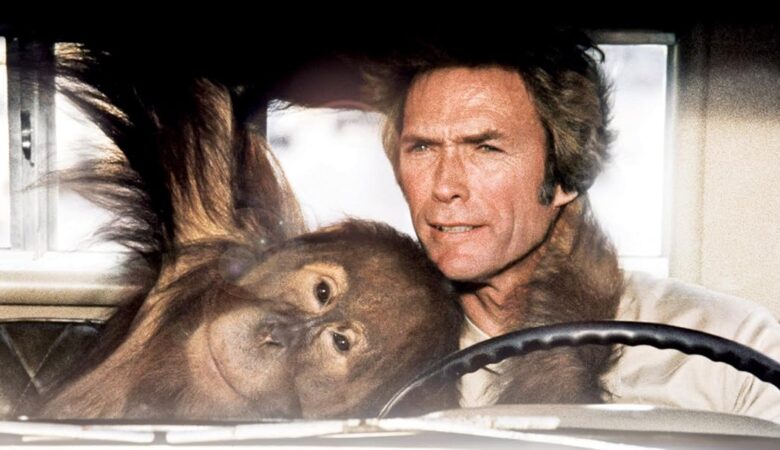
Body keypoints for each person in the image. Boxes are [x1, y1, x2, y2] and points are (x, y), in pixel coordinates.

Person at [363, 28, 780, 422]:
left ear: (565, 175)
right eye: (422, 148)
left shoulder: (731, 351)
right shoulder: (365, 356)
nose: (444, 186)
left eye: (486, 148)